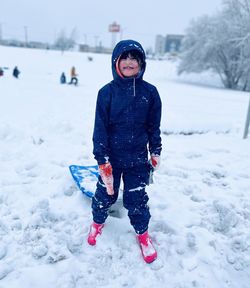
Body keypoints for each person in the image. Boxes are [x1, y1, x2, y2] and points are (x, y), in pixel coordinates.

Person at [87, 39, 162, 264]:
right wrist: (102, 160)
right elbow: (100, 128)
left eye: (134, 58)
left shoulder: (150, 92)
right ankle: (97, 223)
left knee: (137, 199)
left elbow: (153, 126)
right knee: (105, 194)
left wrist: (155, 151)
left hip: (138, 160)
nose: (129, 62)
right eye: (125, 58)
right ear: (116, 62)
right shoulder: (106, 93)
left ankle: (143, 235)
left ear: (141, 63)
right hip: (112, 159)